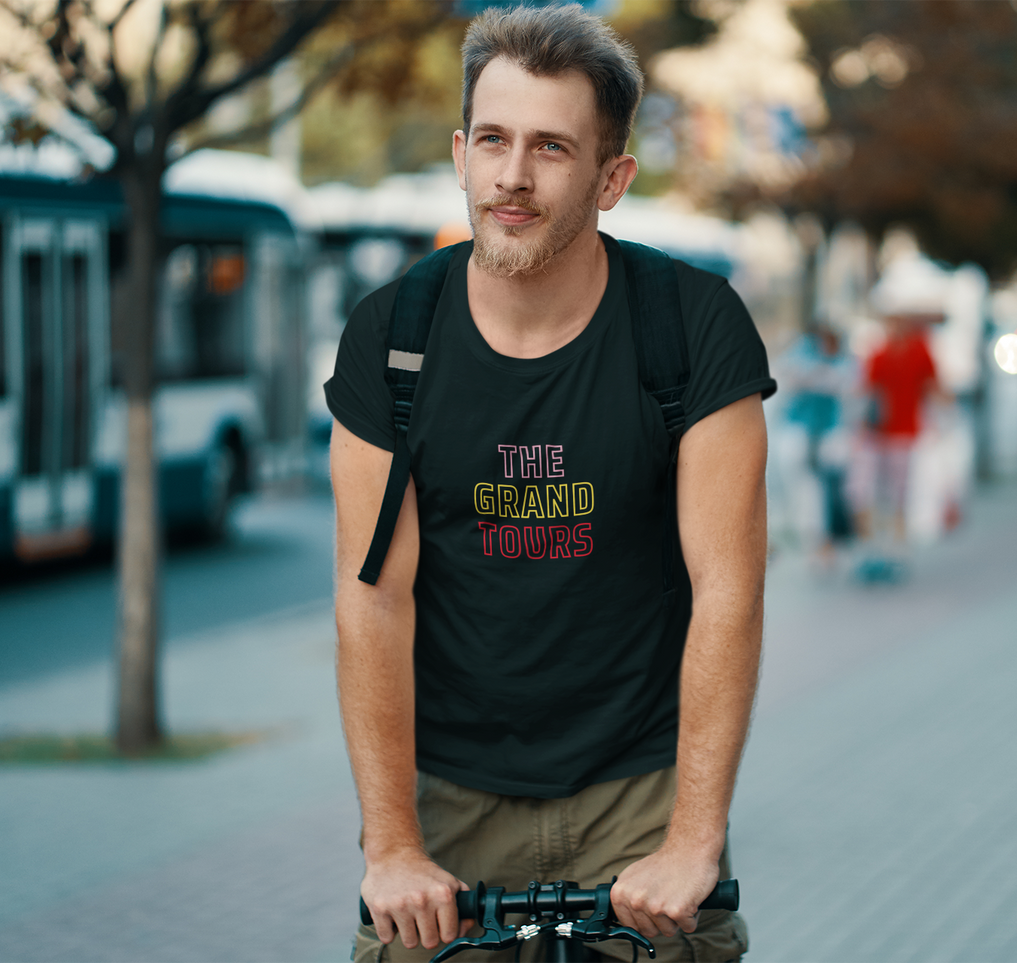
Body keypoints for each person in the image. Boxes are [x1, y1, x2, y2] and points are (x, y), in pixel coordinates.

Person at [324, 7, 774, 962]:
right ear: (460, 152)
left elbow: (726, 591)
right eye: (492, 139)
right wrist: (393, 843)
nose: (512, 177)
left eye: (550, 148)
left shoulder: (691, 327)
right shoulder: (390, 335)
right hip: (445, 795)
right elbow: (374, 599)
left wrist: (693, 839)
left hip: (639, 794)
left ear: (612, 178)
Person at [849, 260, 946, 580]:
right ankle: (872, 549)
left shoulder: (919, 350)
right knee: (866, 490)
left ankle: (896, 550)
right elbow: (865, 391)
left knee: (897, 492)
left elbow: (934, 388)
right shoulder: (880, 351)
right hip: (877, 432)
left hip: (904, 431)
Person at [775, 324, 856, 560]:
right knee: (805, 490)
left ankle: (825, 540)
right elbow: (788, 375)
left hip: (828, 435)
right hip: (802, 433)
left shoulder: (842, 364)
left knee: (824, 491)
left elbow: (843, 386)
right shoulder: (802, 354)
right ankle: (815, 539)